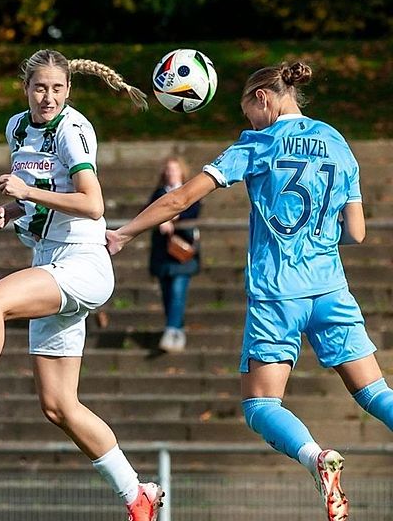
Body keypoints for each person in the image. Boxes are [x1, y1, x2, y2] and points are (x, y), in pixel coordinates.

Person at [107, 62, 393, 521]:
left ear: (262, 97)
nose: (248, 122)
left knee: (261, 405)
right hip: (331, 289)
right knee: (376, 394)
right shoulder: (339, 144)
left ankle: (317, 458)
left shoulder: (256, 144)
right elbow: (356, 232)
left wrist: (124, 233)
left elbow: (181, 199)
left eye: (248, 111)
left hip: (277, 292)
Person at [0, 50, 165, 521]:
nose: (49, 97)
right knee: (59, 405)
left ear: (69, 91)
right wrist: (14, 211)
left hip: (82, 261)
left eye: (58, 89)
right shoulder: (17, 128)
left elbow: (91, 203)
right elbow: (40, 200)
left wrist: (26, 193)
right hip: (50, 258)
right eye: (40, 88)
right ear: (26, 88)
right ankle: (137, 493)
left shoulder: (72, 129)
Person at [147, 156, 201, 352]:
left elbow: (194, 211)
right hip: (163, 252)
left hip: (183, 252)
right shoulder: (159, 193)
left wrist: (172, 215)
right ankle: (177, 328)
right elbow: (148, 212)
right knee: (168, 294)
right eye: (168, 170)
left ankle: (172, 330)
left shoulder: (190, 191)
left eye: (174, 170)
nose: (171, 173)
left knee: (178, 290)